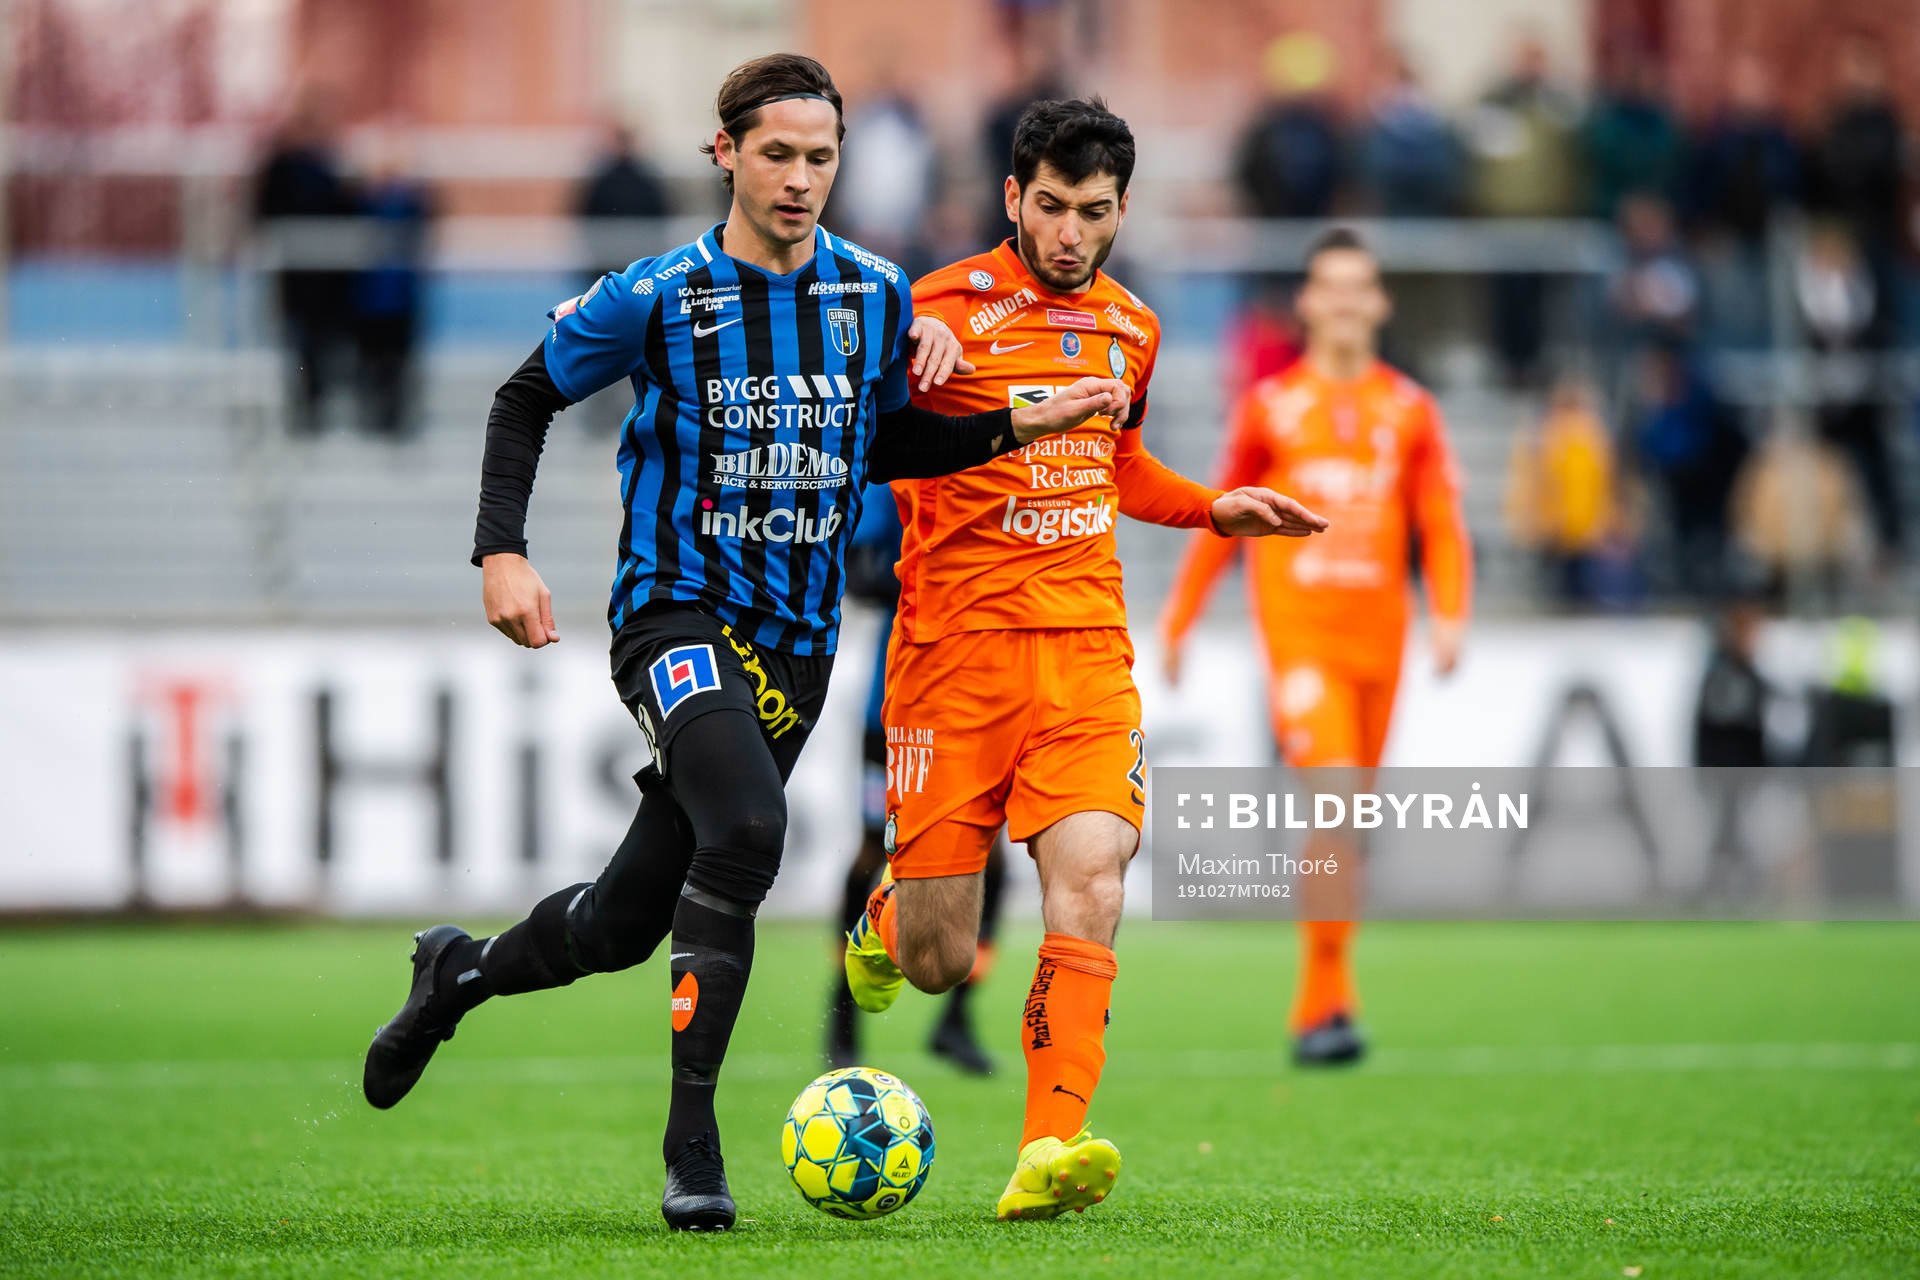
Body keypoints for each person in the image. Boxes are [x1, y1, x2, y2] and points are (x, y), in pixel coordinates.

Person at [356, 54, 1131, 1234]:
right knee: (754, 830)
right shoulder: (664, 292)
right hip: (675, 615)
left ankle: (457, 972)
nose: (801, 178)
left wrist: (1020, 418)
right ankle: (693, 1146)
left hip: (801, 642)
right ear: (726, 154)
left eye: (821, 157)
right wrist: (499, 551)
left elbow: (890, 447)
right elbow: (524, 397)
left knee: (621, 921)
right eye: (778, 153)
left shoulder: (873, 294)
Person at [841, 97, 1327, 1221]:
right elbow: (869, 444)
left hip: (1086, 652)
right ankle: (890, 910)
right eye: (1050, 207)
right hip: (953, 659)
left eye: (1093, 212)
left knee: (1094, 881)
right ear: (1012, 197)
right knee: (935, 956)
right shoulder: (929, 311)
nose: (1069, 233)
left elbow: (1120, 467)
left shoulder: (1132, 327)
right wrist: (903, 358)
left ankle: (1047, 1143)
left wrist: (1214, 508)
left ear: (1119, 211)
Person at [1159, 228, 1471, 1065]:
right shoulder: (1270, 407)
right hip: (1301, 643)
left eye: (1356, 286)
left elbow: (1440, 522)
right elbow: (1221, 517)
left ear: (1379, 303)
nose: (1341, 300)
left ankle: (1332, 994)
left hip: (1383, 644)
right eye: (1326, 285)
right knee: (1334, 803)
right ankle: (1315, 1010)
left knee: (1349, 823)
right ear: (1305, 302)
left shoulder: (1409, 409)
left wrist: (1449, 610)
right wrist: (1181, 618)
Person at [825, 480, 1004, 1074]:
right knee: (874, 850)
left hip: (991, 694)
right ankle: (842, 1019)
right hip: (904, 698)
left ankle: (958, 1017)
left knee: (993, 863)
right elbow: (856, 561)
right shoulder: (911, 457)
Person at [253, 89, 354, 434]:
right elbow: (264, 214)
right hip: (296, 278)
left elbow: (345, 213)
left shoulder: (330, 166)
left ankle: (319, 412)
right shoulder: (281, 167)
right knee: (298, 346)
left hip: (327, 279)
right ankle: (303, 415)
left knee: (325, 345)